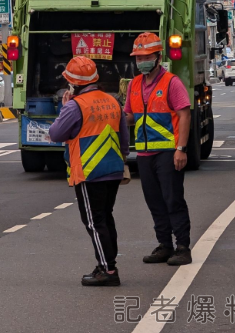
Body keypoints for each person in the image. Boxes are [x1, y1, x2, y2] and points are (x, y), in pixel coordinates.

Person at [49, 56, 129, 287]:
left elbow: (56, 134)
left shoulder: (75, 106)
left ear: (74, 84)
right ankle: (107, 264)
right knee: (105, 218)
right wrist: (120, 161)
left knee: (94, 222)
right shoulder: (112, 101)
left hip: (89, 171)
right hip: (113, 169)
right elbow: (124, 139)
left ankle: (108, 270)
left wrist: (64, 107)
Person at [124, 32, 193, 266]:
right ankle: (165, 245)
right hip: (143, 154)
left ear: (157, 56)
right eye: (137, 57)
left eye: (146, 56)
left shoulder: (172, 82)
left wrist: (181, 148)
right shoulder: (134, 84)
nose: (141, 60)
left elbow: (184, 114)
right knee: (154, 201)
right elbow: (130, 117)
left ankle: (182, 247)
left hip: (168, 152)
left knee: (173, 200)